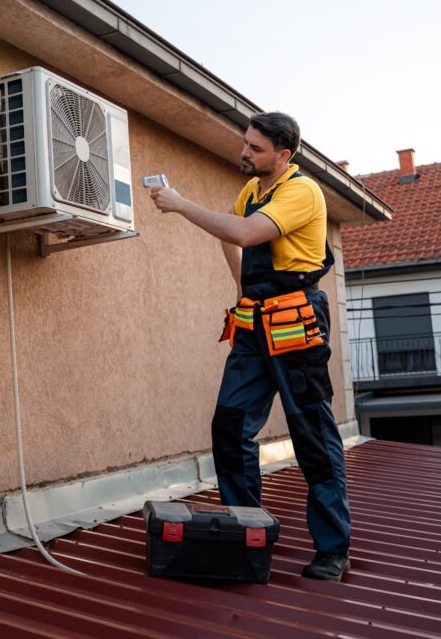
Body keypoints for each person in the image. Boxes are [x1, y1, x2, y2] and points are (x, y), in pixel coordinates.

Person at [149, 112, 351, 581]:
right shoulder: (252, 190)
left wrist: (180, 203)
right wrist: (244, 289)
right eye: (245, 143)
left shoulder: (301, 192)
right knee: (230, 426)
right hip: (255, 323)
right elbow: (231, 235)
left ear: (284, 155)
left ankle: (333, 550)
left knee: (313, 440)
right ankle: (247, 534)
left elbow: (243, 233)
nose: (245, 152)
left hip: (296, 323)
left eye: (256, 148)